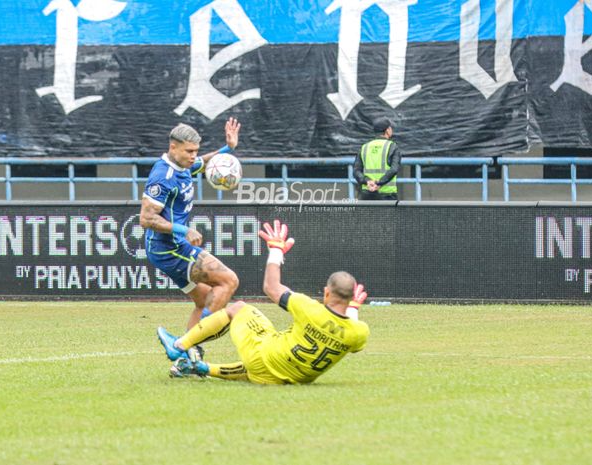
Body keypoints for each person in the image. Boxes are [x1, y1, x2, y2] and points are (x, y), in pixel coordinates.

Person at [156, 220, 370, 384]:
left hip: (264, 359)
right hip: (288, 377)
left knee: (239, 308)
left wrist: (276, 250)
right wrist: (352, 310)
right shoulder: (359, 333)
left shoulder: (309, 308)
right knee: (267, 359)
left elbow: (271, 287)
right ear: (352, 299)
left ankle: (179, 345)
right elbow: (350, 331)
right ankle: (202, 368)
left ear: (326, 294)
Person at [139, 118, 241, 359]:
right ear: (173, 147)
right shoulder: (163, 177)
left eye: (196, 150)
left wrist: (228, 149)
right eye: (189, 151)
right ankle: (184, 345)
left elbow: (204, 164)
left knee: (206, 300)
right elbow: (146, 218)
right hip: (168, 249)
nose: (194, 156)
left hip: (171, 247)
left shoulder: (184, 165)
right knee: (228, 281)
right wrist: (183, 230)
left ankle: (184, 356)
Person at [354, 117, 402, 200]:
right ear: (387, 130)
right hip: (387, 194)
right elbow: (394, 169)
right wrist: (378, 183)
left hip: (367, 194)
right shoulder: (392, 146)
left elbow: (356, 171)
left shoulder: (365, 147)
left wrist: (367, 181)